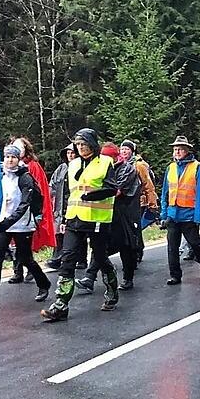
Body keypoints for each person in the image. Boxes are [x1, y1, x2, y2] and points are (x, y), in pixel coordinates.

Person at [41, 128, 120, 322]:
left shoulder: (105, 163)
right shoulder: (73, 164)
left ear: (93, 144)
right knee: (67, 259)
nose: (80, 147)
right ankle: (61, 304)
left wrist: (94, 195)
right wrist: (60, 217)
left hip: (97, 218)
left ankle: (112, 291)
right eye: (78, 144)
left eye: (84, 143)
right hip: (74, 217)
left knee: (100, 258)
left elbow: (112, 188)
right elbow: (67, 192)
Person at [0, 145, 51, 313]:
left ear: (19, 159)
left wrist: (9, 221)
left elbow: (25, 204)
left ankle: (44, 284)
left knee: (25, 258)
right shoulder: (1, 176)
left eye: (13, 157)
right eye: (8, 157)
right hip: (3, 224)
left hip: (22, 225)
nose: (10, 160)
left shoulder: (25, 178)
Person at [78, 142, 143, 291]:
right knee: (99, 246)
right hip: (105, 212)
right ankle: (90, 277)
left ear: (113, 157)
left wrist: (95, 193)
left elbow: (117, 191)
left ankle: (128, 278)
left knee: (126, 247)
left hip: (124, 213)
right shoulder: (99, 167)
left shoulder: (127, 169)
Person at [161, 136, 200, 285]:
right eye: (175, 149)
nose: (177, 151)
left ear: (187, 150)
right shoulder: (171, 167)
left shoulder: (196, 167)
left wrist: (198, 217)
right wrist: (163, 213)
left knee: (195, 243)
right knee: (172, 247)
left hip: (189, 214)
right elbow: (165, 192)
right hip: (172, 214)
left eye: (180, 149)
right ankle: (175, 275)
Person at [8, 136, 56, 283]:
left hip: (26, 211)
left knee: (25, 243)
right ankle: (18, 271)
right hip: (12, 210)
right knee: (13, 242)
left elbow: (38, 191)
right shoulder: (8, 167)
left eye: (21, 148)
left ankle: (30, 270)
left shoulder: (33, 166)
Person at [121, 140, 158, 263]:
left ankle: (137, 251)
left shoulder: (139, 165)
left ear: (132, 151)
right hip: (125, 201)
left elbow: (148, 185)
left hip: (140, 201)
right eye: (122, 149)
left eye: (127, 149)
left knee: (136, 227)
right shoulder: (120, 164)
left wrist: (152, 204)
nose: (124, 151)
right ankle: (133, 250)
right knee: (129, 228)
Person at [46, 144, 75, 270]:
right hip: (59, 205)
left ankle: (79, 259)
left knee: (74, 234)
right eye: (68, 153)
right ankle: (57, 258)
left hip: (74, 204)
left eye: (73, 153)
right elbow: (52, 184)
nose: (70, 155)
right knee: (58, 232)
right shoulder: (61, 168)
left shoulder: (81, 167)